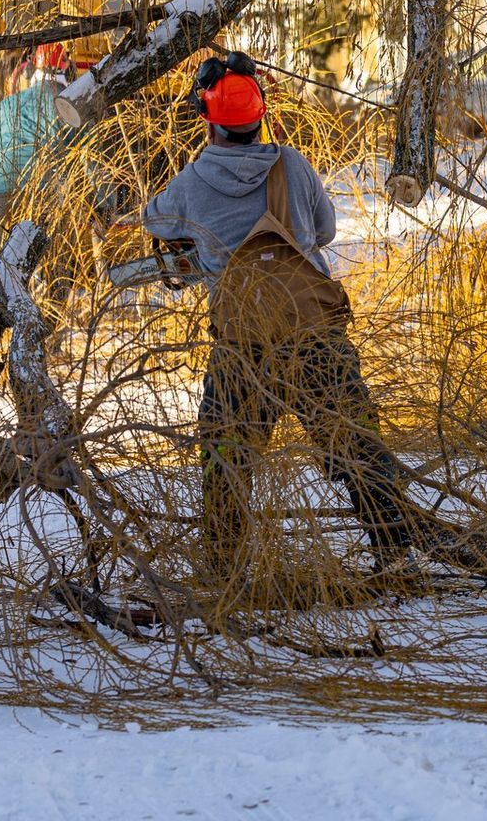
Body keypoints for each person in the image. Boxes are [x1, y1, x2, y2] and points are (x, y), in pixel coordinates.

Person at [141, 53, 414, 588]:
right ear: (259, 114)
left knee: (227, 453)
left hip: (245, 344)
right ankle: (394, 546)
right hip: (313, 334)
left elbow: (154, 217)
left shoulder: (192, 183)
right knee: (354, 441)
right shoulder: (292, 165)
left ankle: (223, 567)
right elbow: (326, 232)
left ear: (208, 117)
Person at [0, 44, 70, 287]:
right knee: (54, 259)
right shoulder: (69, 107)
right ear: (66, 70)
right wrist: (103, 201)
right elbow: (88, 158)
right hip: (47, 193)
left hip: (4, 191)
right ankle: (52, 311)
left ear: (31, 70)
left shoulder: (7, 106)